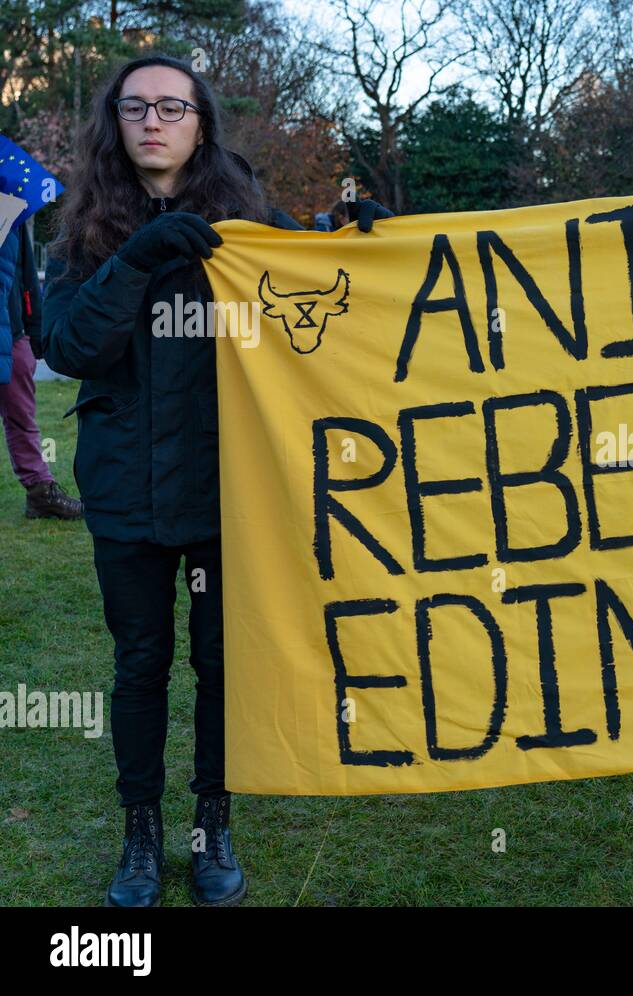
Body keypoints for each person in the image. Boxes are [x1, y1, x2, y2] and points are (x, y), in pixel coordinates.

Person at [37, 53, 391, 908]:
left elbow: (317, 298)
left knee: (225, 666)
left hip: (232, 490)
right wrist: (136, 262)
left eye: (172, 107)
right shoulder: (77, 233)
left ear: (202, 124)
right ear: (113, 125)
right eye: (134, 107)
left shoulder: (248, 220)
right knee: (140, 665)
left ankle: (212, 827)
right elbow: (72, 348)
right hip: (125, 490)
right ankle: (139, 840)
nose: (152, 121)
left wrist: (363, 240)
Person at [0, 222, 83, 519]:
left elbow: (26, 276)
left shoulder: (9, 208)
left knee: (22, 416)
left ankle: (40, 492)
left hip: (12, 331)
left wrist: (34, 331)